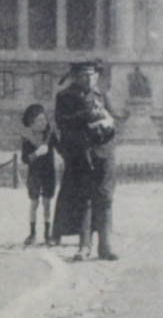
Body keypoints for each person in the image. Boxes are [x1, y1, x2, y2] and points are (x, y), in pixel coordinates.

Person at [52, 59, 119, 261]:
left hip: (104, 153)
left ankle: (105, 246)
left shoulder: (103, 96)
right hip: (79, 154)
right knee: (83, 199)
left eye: (93, 75)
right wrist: (85, 115)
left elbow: (115, 122)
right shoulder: (65, 97)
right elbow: (62, 123)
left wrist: (107, 124)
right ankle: (84, 246)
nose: (90, 79)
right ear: (76, 77)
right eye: (85, 76)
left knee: (105, 198)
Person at [20, 103, 57, 246]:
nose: (44, 123)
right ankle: (32, 233)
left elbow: (61, 149)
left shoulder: (50, 136)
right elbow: (24, 159)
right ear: (32, 123)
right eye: (40, 120)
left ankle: (47, 234)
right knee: (34, 203)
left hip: (49, 173)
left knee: (47, 203)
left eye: (45, 120)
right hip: (34, 174)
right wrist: (36, 154)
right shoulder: (28, 139)